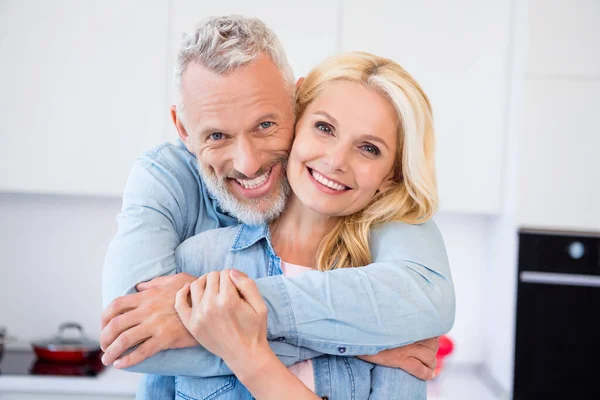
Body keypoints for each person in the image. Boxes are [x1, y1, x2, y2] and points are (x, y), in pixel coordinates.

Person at [99, 15, 454, 398]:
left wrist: (235, 328)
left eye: (265, 125)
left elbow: (427, 299)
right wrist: (362, 343)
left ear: (295, 104)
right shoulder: (194, 249)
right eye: (217, 135)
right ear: (183, 130)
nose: (248, 163)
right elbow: (131, 339)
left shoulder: (385, 271)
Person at [172, 50, 445, 399]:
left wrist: (250, 356)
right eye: (324, 128)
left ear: (390, 177)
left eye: (368, 148)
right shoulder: (198, 261)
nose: (335, 161)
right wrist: (352, 343)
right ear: (294, 122)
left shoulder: (395, 307)